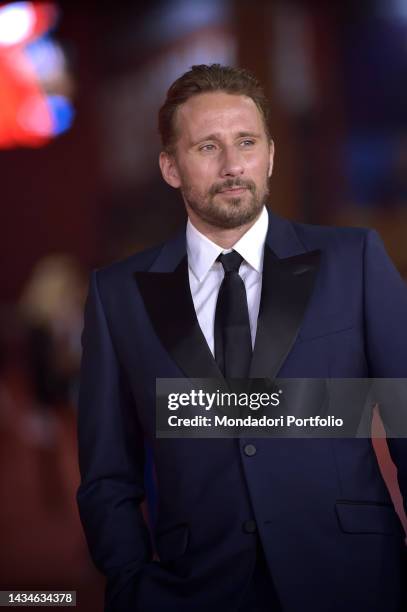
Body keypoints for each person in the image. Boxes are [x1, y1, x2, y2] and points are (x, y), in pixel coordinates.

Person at [77, 64, 407, 612]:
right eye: (207, 147)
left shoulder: (356, 260)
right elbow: (106, 472)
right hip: (194, 591)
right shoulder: (118, 297)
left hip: (355, 582)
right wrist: (131, 584)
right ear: (170, 167)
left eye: (246, 142)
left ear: (270, 155)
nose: (233, 166)